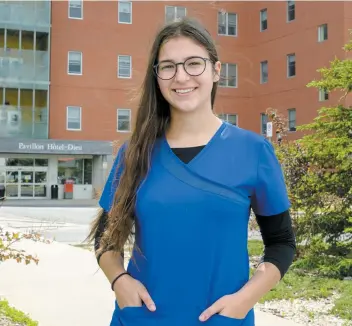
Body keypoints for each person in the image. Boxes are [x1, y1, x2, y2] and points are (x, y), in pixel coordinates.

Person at [88, 17, 296, 326]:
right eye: (168, 66)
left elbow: (281, 243)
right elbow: (105, 240)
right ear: (157, 77)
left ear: (215, 70)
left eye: (194, 64)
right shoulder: (134, 153)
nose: (181, 76)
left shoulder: (253, 151)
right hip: (141, 318)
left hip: (222, 320)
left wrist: (244, 300)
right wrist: (120, 281)